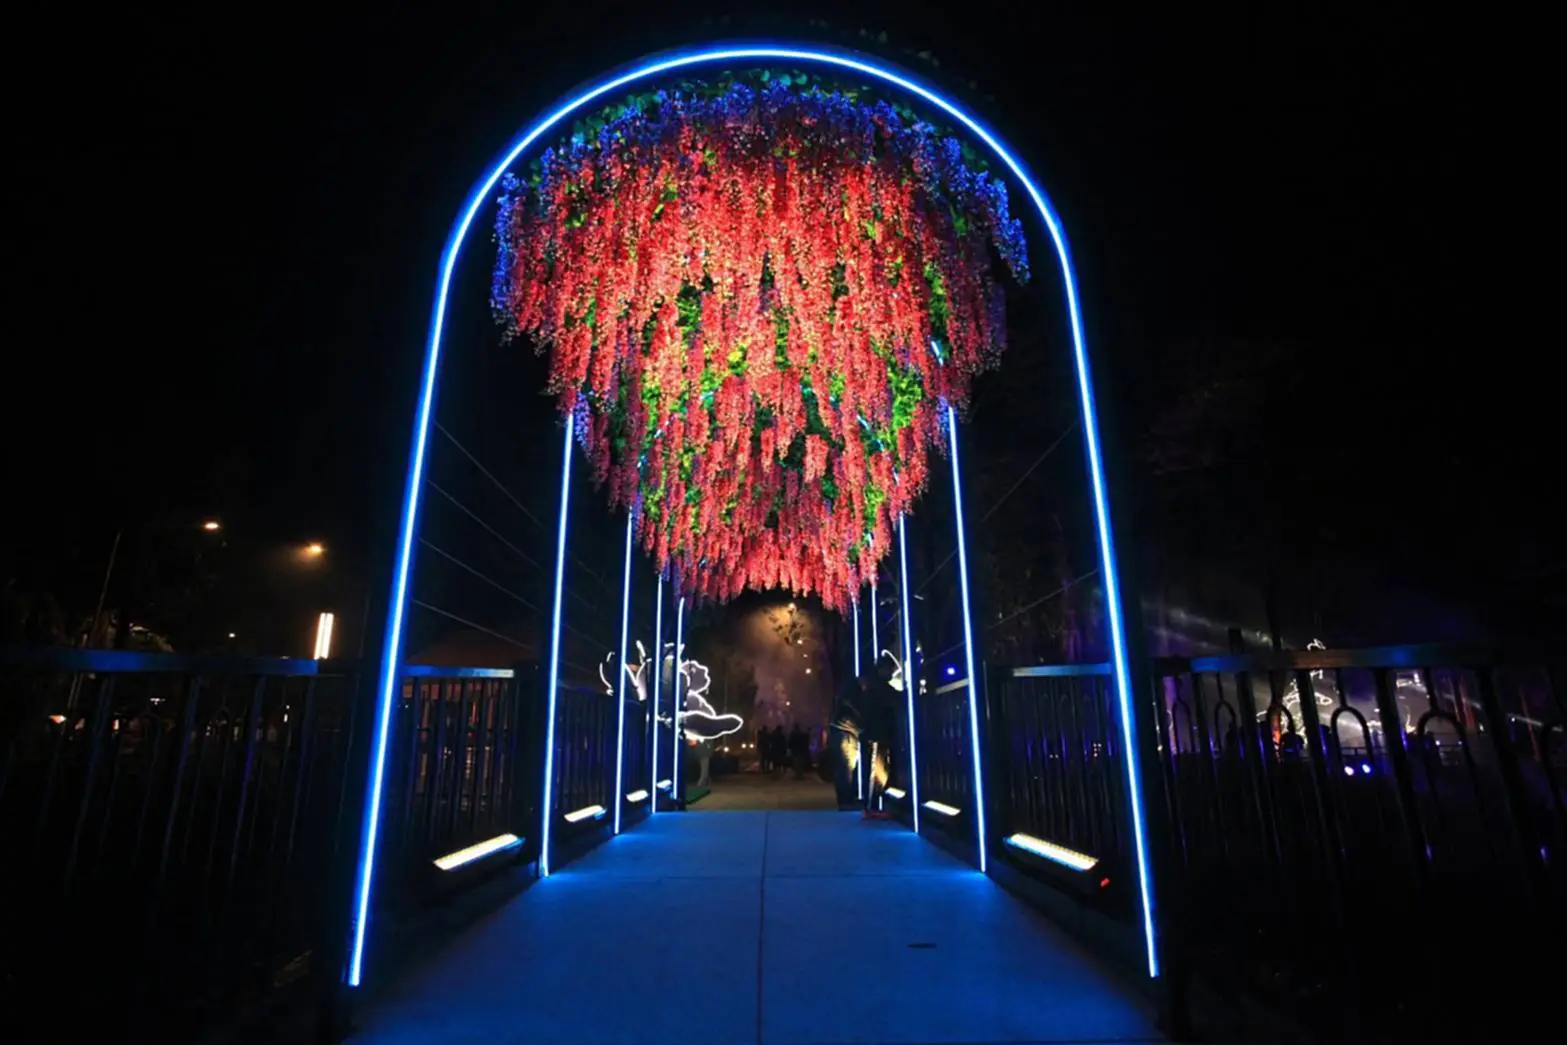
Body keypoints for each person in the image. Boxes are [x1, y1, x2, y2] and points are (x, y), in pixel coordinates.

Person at [861, 663, 898, 819]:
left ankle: (871, 806)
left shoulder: (873, 687)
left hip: (875, 734)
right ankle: (871, 806)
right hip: (877, 734)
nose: (891, 673)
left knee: (877, 771)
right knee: (877, 772)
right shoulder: (879, 688)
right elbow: (894, 699)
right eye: (889, 669)